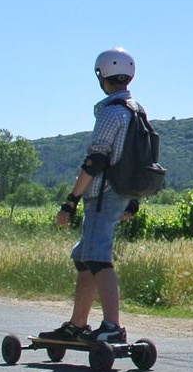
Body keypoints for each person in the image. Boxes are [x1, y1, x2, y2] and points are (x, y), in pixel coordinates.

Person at [51, 48, 144, 346]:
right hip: (122, 193)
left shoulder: (111, 112)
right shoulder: (136, 110)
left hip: (102, 196)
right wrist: (133, 198)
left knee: (98, 258)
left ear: (102, 76)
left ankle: (112, 326)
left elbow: (96, 161)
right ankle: (77, 323)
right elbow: (138, 159)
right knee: (85, 257)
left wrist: (71, 200)